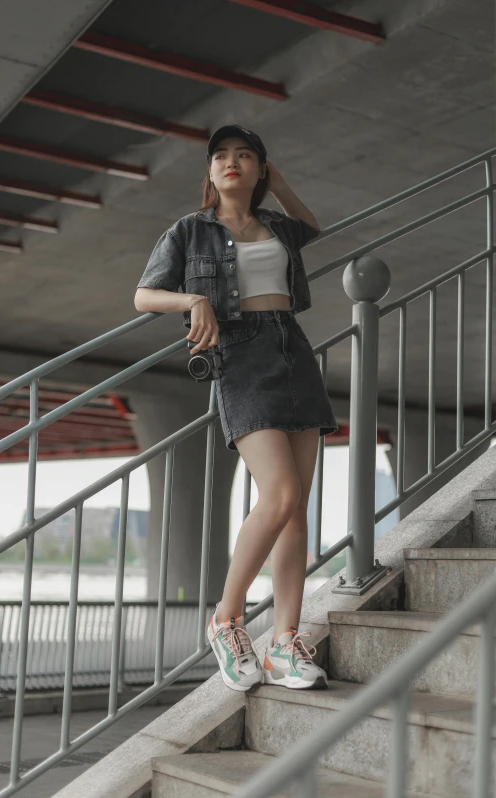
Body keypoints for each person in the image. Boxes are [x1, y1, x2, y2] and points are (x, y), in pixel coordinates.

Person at [134, 124, 338, 692]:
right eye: (221, 156)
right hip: (240, 355)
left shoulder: (277, 226)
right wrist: (193, 298)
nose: (231, 162)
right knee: (280, 494)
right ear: (209, 172)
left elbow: (314, 227)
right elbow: (144, 294)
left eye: (244, 156)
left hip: (292, 350)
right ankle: (226, 620)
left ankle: (284, 644)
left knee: (297, 508)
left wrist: (279, 184)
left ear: (259, 170)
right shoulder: (190, 230)